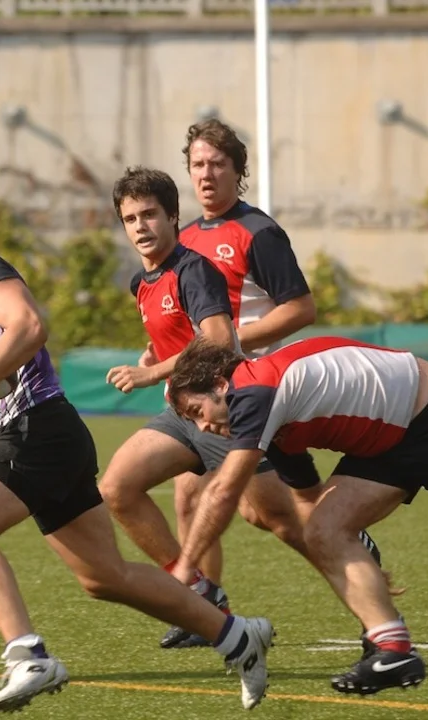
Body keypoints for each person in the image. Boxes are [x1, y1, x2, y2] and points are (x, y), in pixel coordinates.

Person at [0, 174, 274, 713]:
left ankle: (28, 656)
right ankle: (237, 635)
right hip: (51, 436)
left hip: (38, 430)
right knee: (105, 577)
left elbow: (28, 324)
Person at [98, 166, 381, 651]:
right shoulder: (141, 282)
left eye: (150, 214)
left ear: (173, 216)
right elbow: (180, 333)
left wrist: (152, 372)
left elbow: (218, 341)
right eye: (130, 218)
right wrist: (155, 354)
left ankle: (376, 614)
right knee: (118, 488)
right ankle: (198, 595)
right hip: (183, 414)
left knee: (284, 523)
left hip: (223, 411)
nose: (141, 226)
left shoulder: (194, 270)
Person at [166, 335, 428, 694]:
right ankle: (393, 651)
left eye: (198, 412)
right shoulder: (268, 413)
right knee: (324, 531)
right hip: (389, 441)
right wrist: (353, 555)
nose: (203, 427)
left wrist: (186, 568)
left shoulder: (254, 393)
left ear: (220, 384)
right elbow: (307, 495)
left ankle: (392, 647)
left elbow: (223, 491)